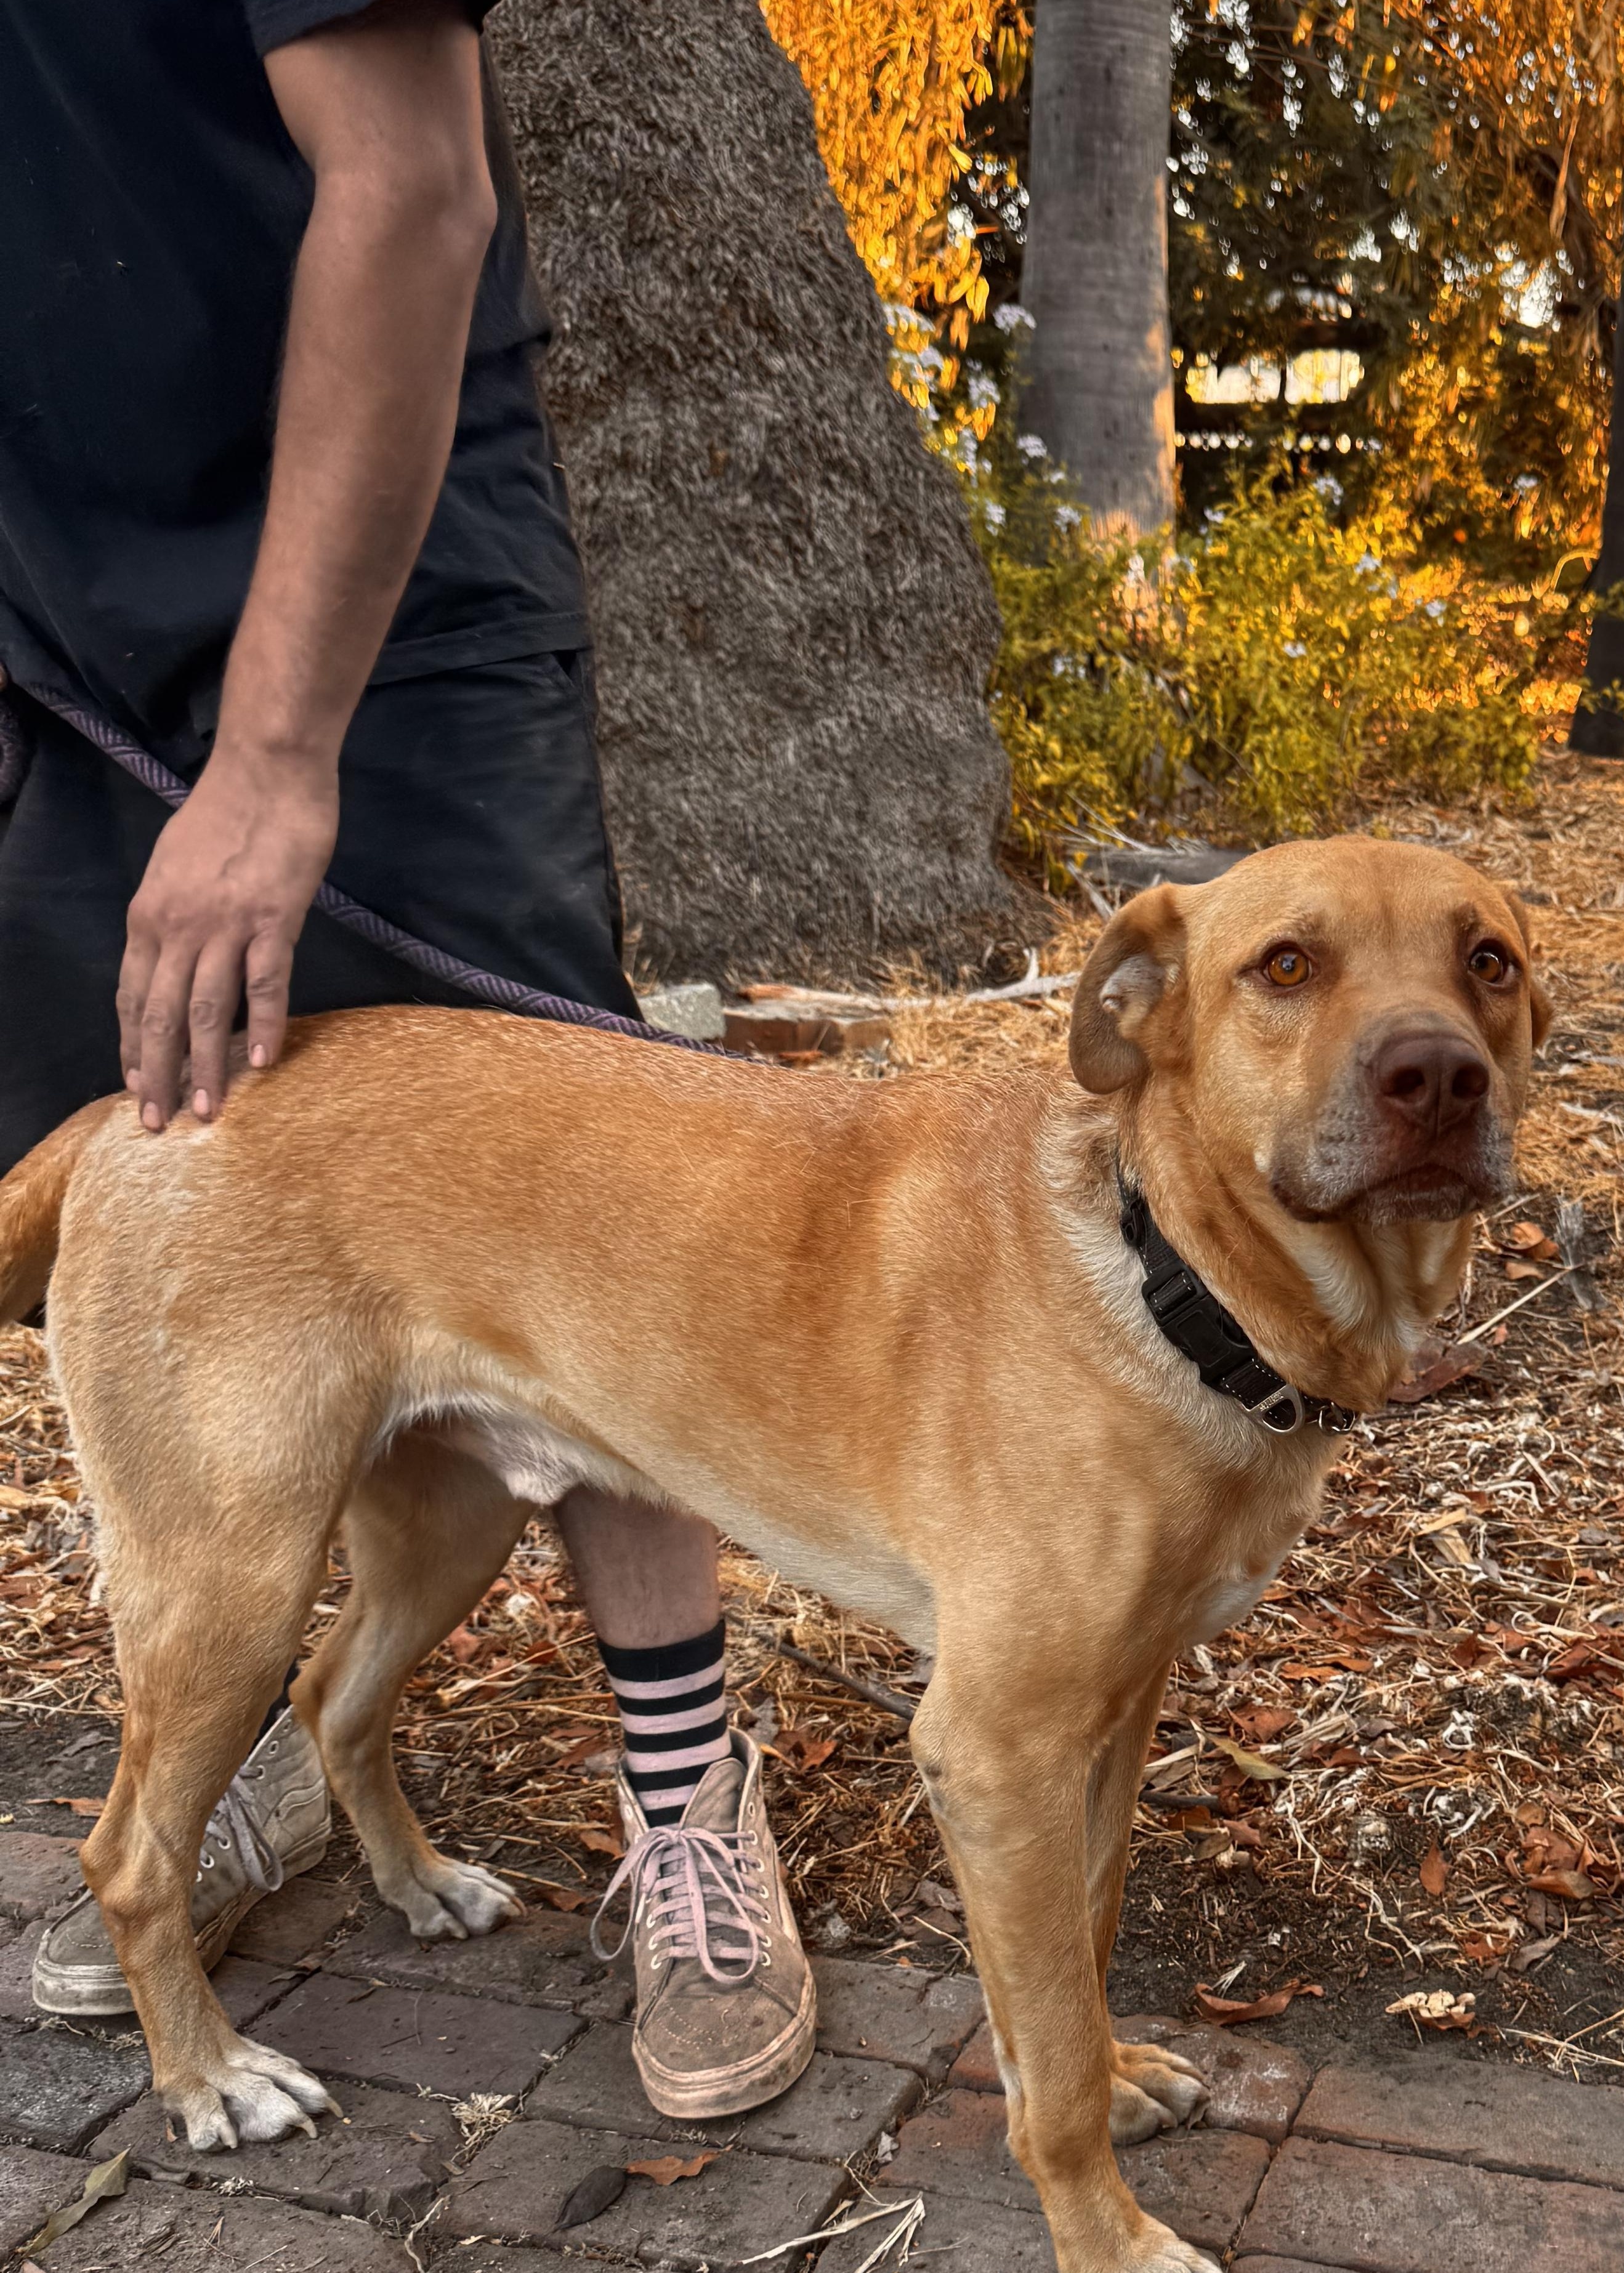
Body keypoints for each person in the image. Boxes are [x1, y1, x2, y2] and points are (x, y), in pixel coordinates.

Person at [1, 0, 813, 2120]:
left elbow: (409, 178)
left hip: (384, 602)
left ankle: (685, 1806)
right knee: (216, 1281)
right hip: (67, 643)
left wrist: (275, 764)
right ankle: (249, 1735)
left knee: (591, 1238)